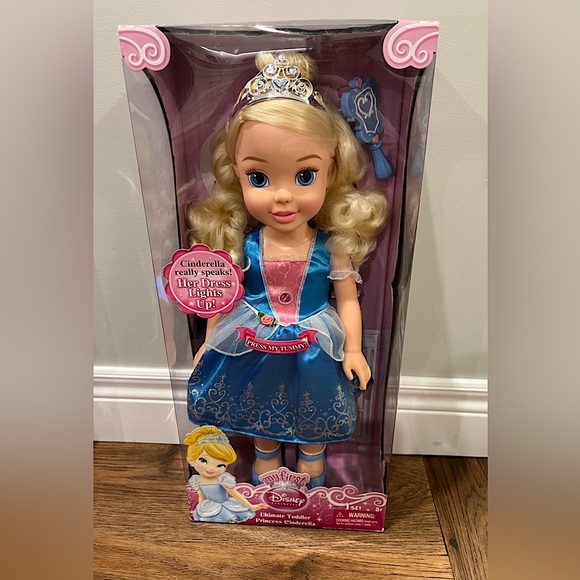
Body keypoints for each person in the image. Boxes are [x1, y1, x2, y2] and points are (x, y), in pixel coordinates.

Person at [186, 51, 388, 488]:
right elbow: (222, 297)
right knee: (261, 414)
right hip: (252, 341)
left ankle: (311, 478)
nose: (282, 197)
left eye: (304, 176)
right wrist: (209, 341)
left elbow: (347, 300)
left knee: (312, 418)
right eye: (259, 178)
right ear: (236, 174)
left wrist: (353, 349)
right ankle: (266, 472)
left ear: (331, 170)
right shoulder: (243, 245)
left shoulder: (331, 247)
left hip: (312, 342)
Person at [184, 426, 266, 522]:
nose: (211, 468)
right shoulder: (196, 480)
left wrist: (251, 506)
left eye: (220, 465)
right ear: (191, 459)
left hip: (225, 506)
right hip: (209, 508)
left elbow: (235, 494)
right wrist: (200, 509)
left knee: (230, 517)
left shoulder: (222, 479)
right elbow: (201, 496)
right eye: (203, 460)